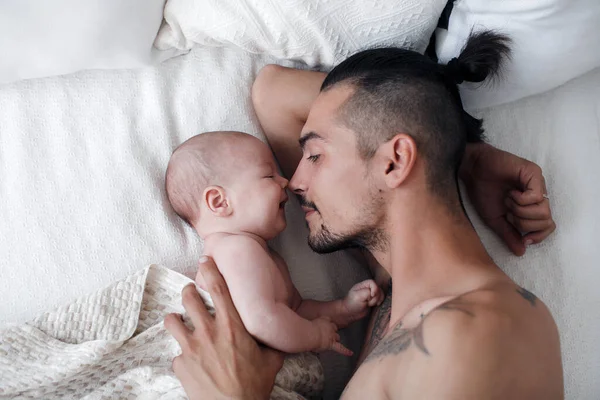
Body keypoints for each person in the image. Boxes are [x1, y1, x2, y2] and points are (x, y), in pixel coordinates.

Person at [165, 31, 562, 399]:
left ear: (393, 163)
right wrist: (465, 156)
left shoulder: (474, 332)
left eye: (315, 156)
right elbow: (273, 92)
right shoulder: (396, 294)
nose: (293, 182)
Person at [165, 131, 383, 356]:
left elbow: (293, 313)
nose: (285, 182)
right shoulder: (235, 250)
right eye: (269, 176)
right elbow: (261, 321)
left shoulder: (260, 253)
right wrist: (316, 336)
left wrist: (342, 309)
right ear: (219, 202)